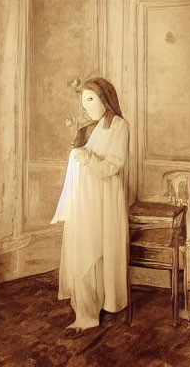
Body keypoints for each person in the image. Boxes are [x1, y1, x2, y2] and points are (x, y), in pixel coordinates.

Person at [51, 77, 129, 330]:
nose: (85, 106)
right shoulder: (89, 128)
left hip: (104, 198)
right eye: (83, 101)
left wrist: (86, 158)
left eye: (90, 99)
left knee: (100, 245)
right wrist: (79, 151)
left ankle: (97, 307)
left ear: (105, 99)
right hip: (84, 197)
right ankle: (85, 309)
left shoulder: (119, 126)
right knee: (83, 245)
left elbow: (112, 166)